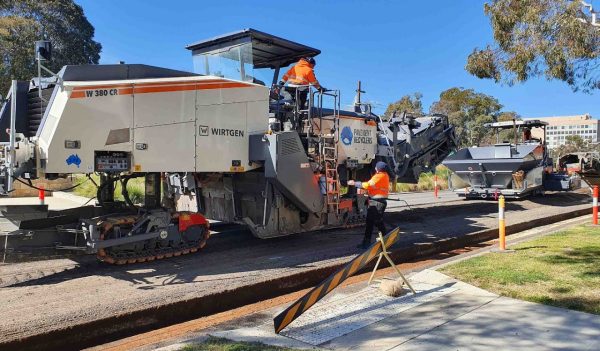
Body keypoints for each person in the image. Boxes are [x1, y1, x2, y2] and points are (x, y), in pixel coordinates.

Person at [347, 161, 390, 249]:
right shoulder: (384, 175)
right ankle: (366, 243)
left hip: (377, 202)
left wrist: (354, 183)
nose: (375, 168)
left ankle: (386, 241)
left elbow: (368, 185)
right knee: (370, 222)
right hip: (375, 201)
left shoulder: (380, 176)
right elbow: (374, 187)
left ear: (378, 169)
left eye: (376, 167)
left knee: (378, 222)